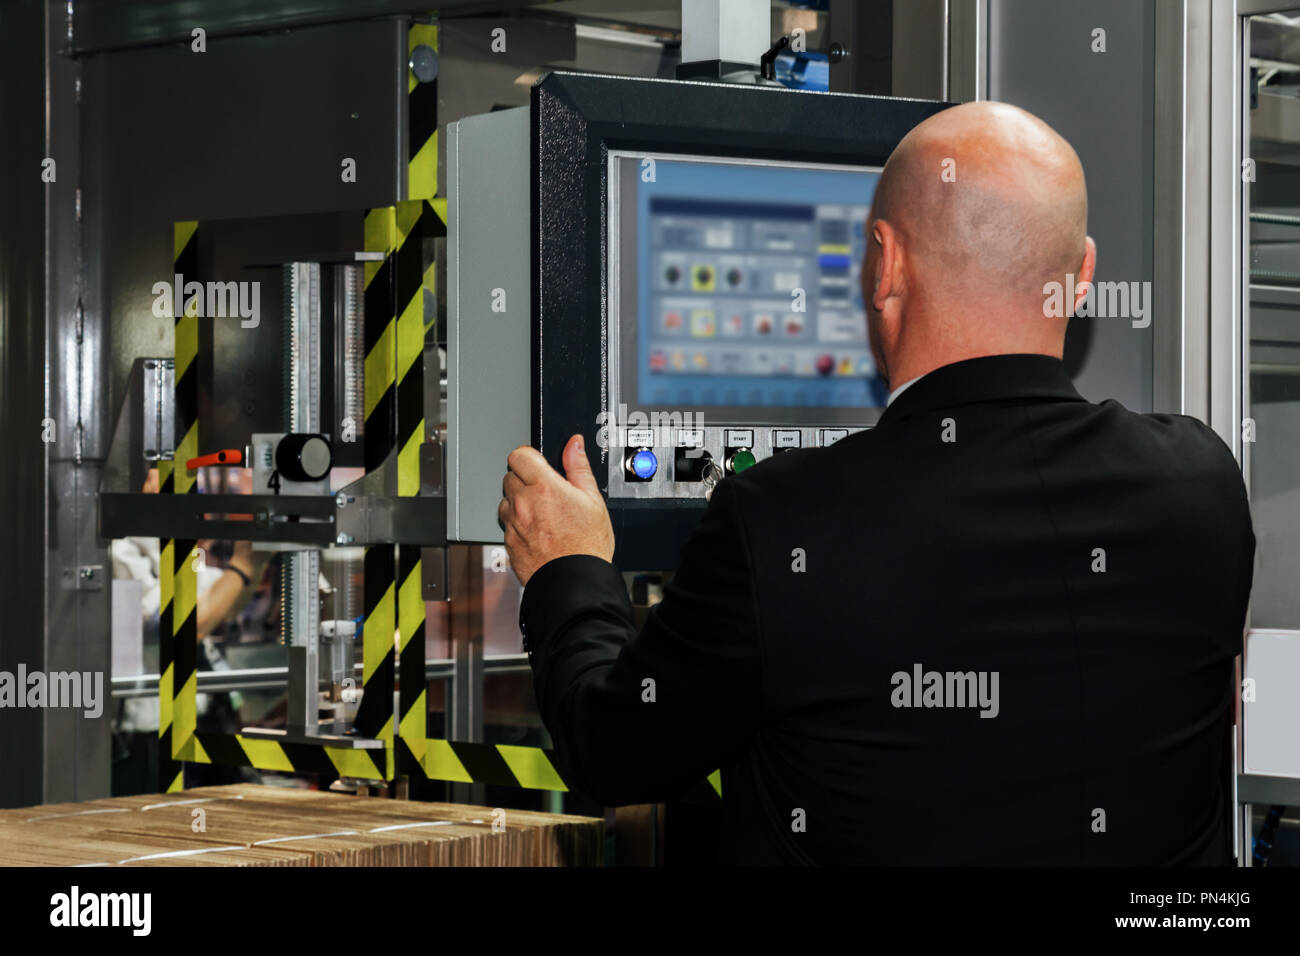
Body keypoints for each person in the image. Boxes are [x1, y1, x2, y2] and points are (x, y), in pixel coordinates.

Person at [498, 101, 1256, 865]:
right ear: (1083, 275)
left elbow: (615, 752)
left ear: (884, 264)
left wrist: (569, 570)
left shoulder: (784, 520)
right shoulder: (1203, 485)